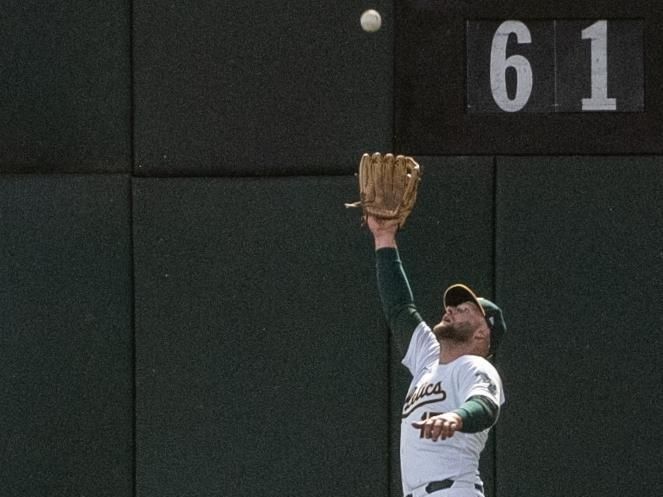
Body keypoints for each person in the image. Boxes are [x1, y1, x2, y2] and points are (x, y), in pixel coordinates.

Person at [366, 215, 507, 497]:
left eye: (464, 309)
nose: (451, 310)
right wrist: (384, 238)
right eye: (453, 307)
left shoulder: (474, 366)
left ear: (482, 333)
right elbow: (400, 309)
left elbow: (485, 405)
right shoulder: (429, 358)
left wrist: (456, 417)